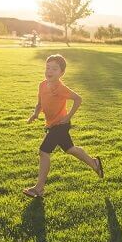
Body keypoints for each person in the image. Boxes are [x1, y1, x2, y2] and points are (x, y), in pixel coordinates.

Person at [23, 54, 103, 198]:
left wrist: (68, 117)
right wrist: (35, 114)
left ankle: (39, 188)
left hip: (60, 125)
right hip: (52, 125)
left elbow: (78, 99)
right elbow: (40, 103)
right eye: (48, 68)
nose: (50, 71)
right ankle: (94, 163)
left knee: (44, 151)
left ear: (61, 73)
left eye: (54, 69)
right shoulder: (42, 85)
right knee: (70, 149)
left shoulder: (61, 88)